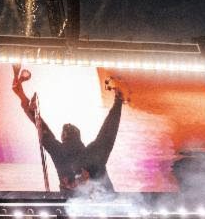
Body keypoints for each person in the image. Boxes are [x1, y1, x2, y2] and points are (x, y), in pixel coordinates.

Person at [11, 65, 124, 193]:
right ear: (79, 137)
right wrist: (118, 102)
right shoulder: (93, 153)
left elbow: (42, 129)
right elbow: (109, 129)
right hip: (105, 204)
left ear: (63, 137)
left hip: (71, 205)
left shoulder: (60, 153)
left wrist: (22, 97)